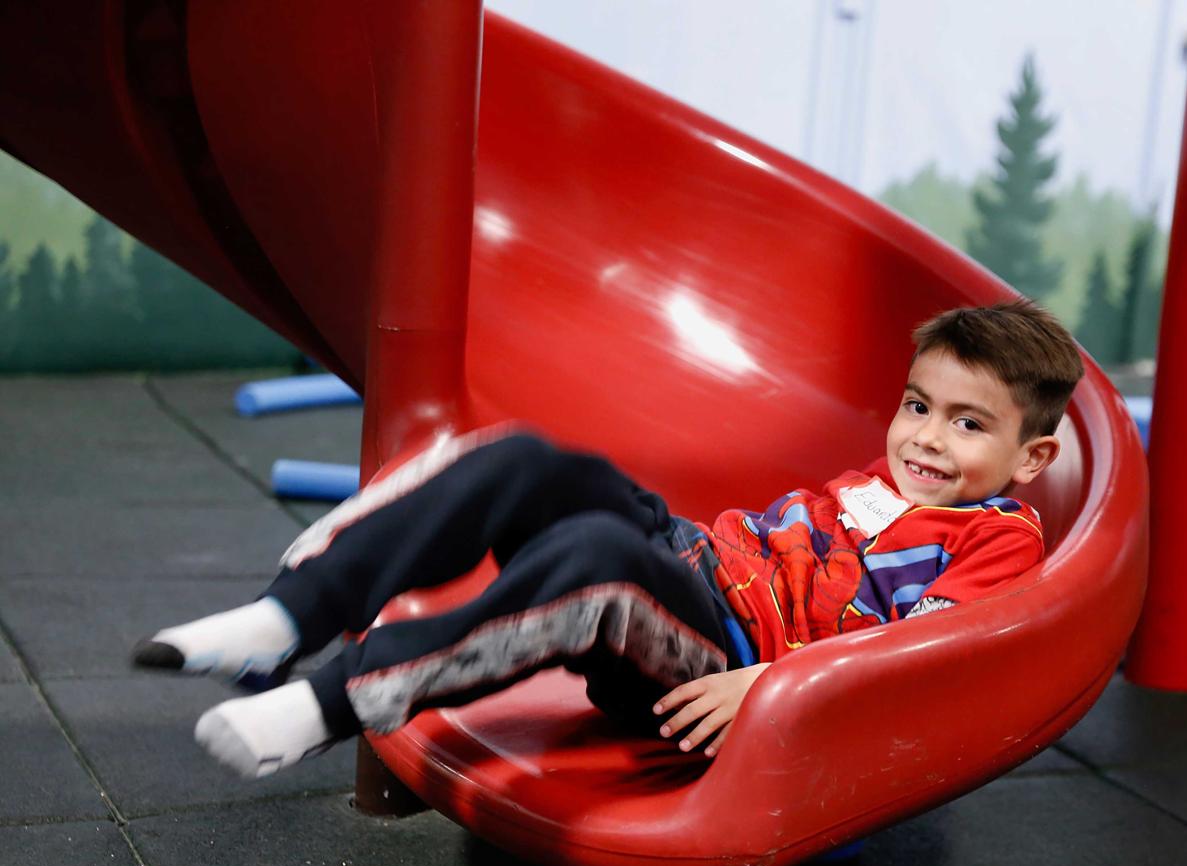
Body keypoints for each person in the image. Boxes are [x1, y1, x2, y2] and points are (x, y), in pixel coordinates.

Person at [133, 299, 1084, 778]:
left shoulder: (997, 540)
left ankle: (330, 705)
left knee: (603, 566)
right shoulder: (884, 478)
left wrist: (769, 684)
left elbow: (919, 654)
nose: (924, 435)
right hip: (697, 565)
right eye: (919, 404)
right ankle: (288, 613)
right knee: (533, 463)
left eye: (967, 424)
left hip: (727, 665)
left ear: (1031, 455)